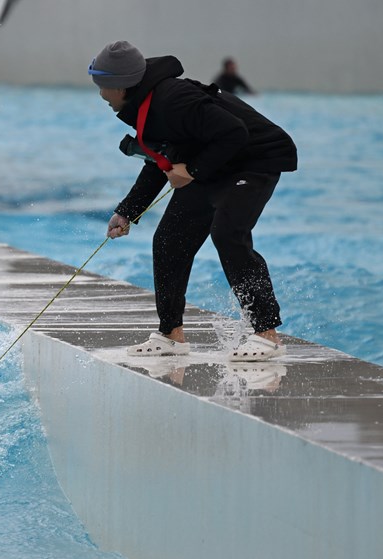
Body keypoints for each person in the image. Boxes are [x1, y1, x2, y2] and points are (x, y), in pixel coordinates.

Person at [89, 41, 297, 361]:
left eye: (102, 84)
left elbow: (234, 132)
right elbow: (160, 160)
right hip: (216, 164)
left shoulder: (173, 98)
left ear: (122, 85)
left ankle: (266, 333)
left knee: (228, 232)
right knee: (169, 239)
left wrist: (194, 169)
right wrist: (127, 211)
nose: (100, 93)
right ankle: (171, 335)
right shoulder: (143, 105)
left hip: (255, 160)